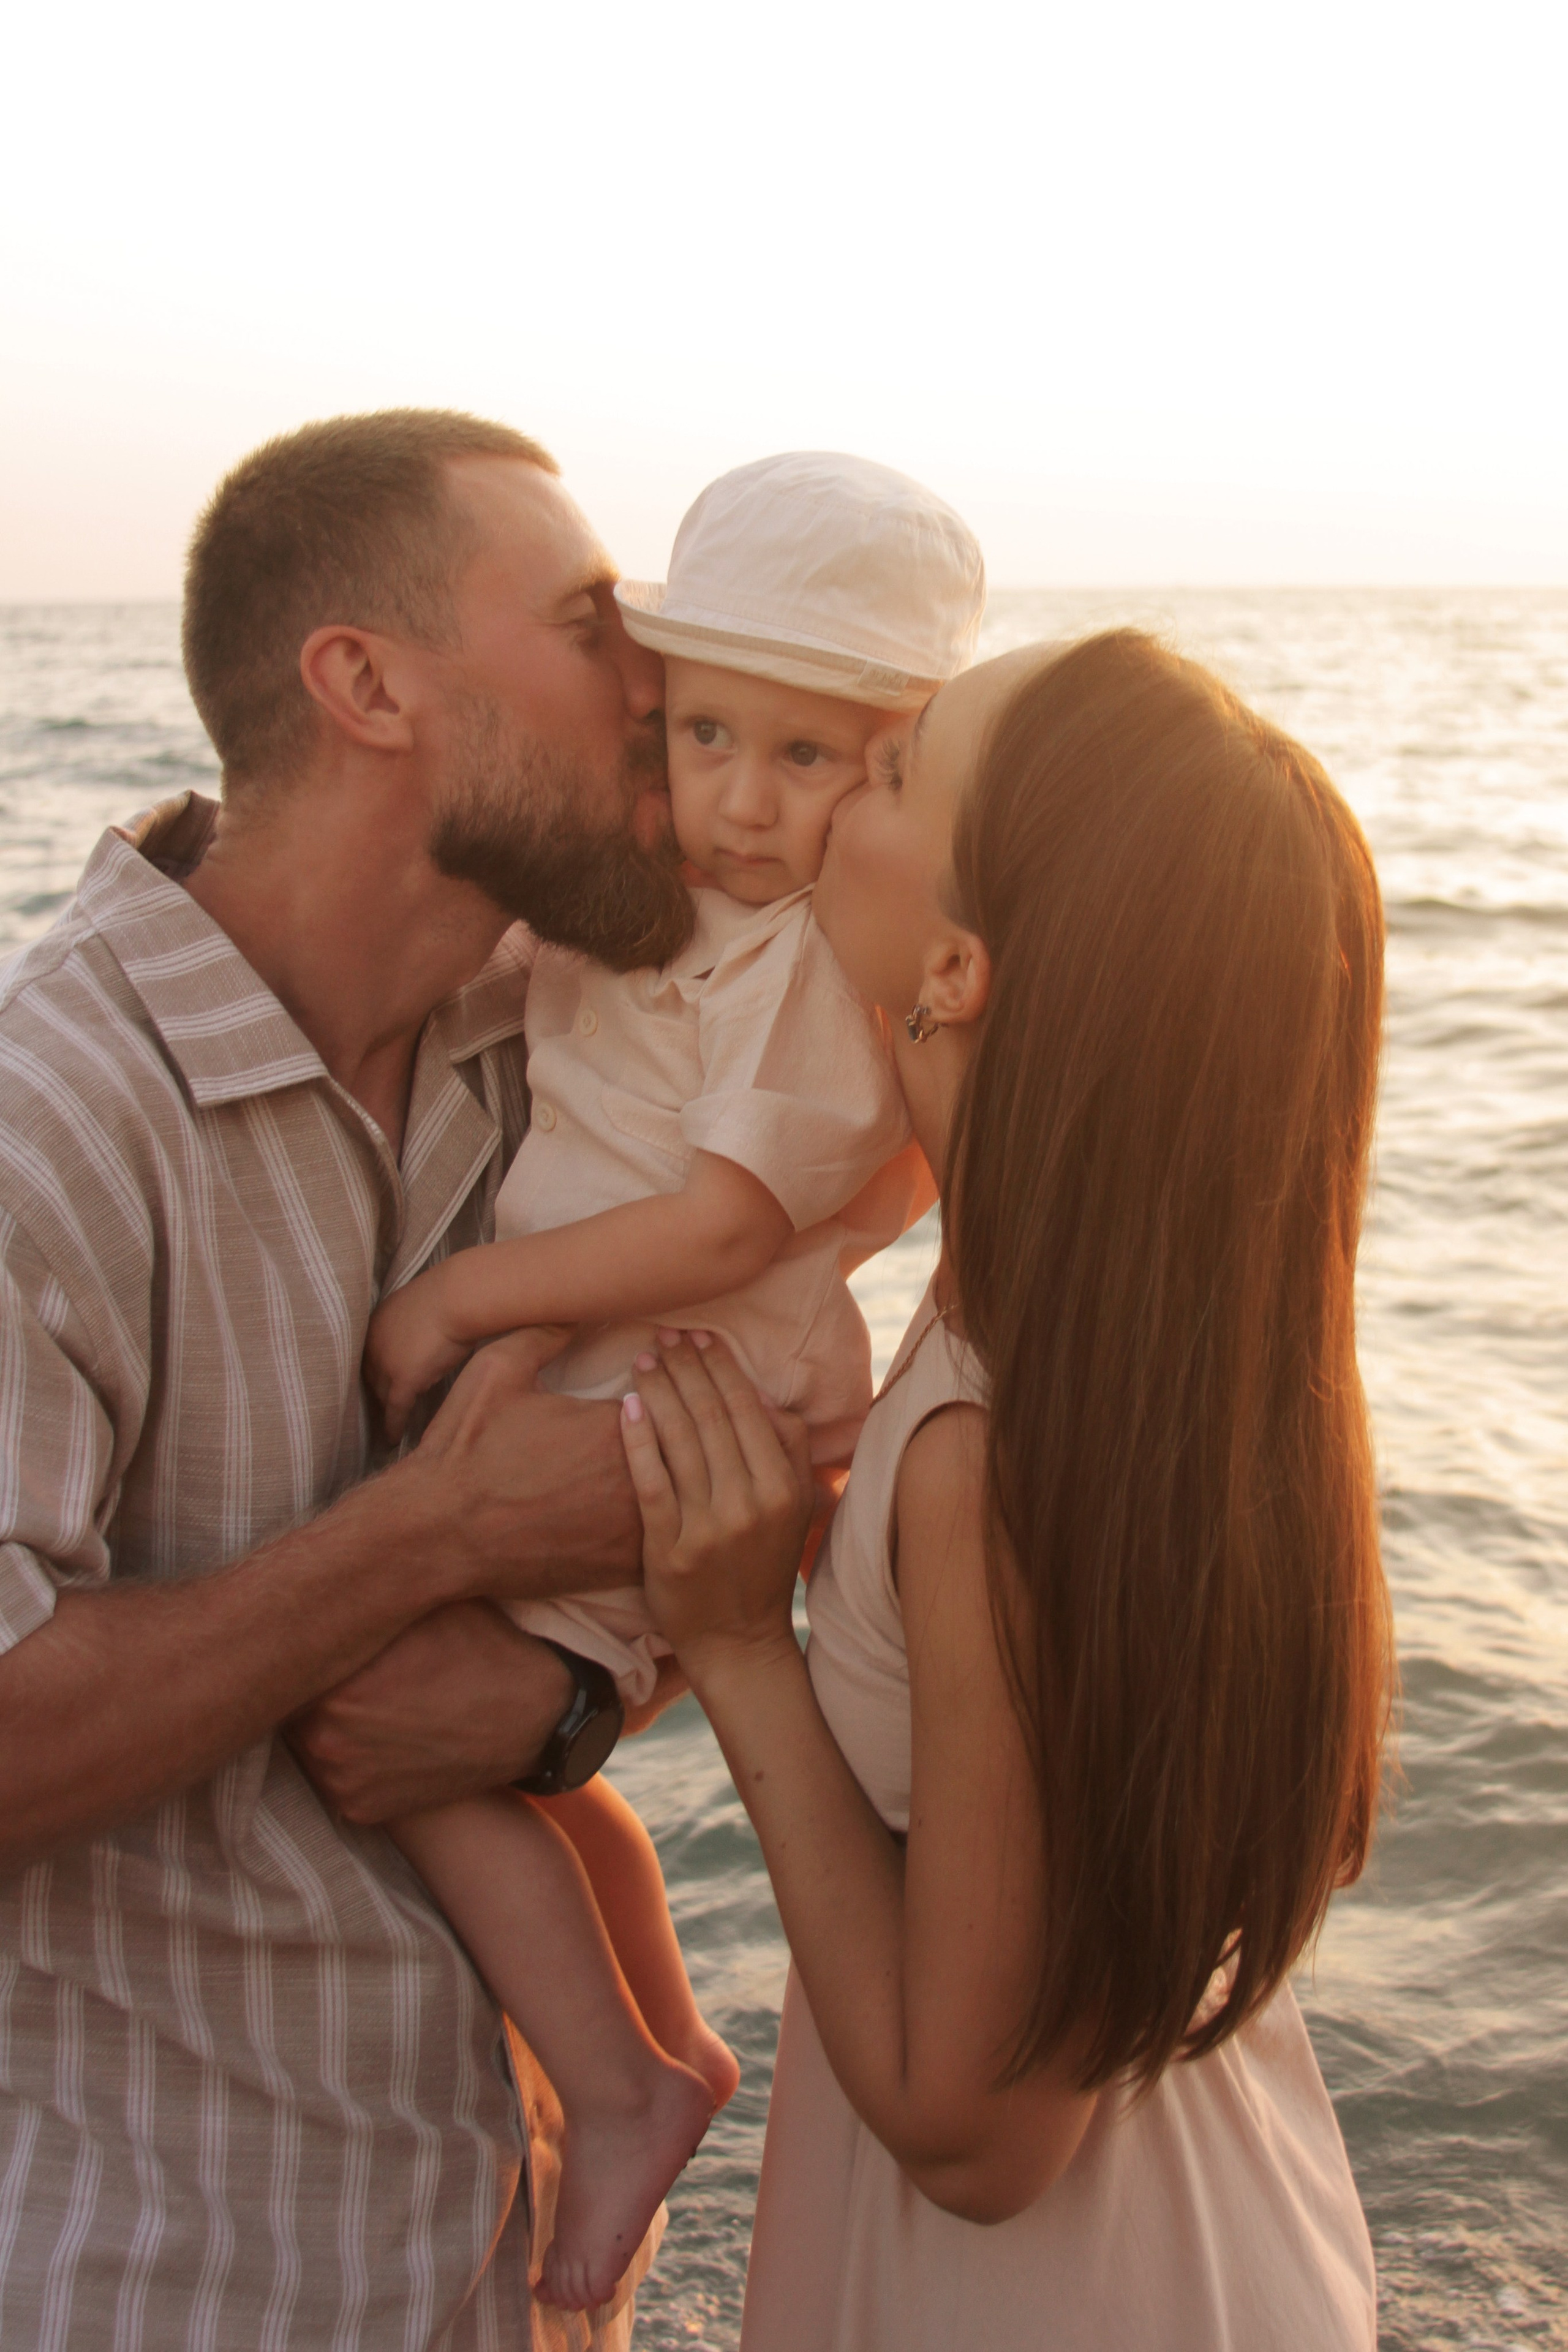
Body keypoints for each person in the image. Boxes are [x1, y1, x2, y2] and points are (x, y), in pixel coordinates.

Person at [0, 409, 697, 2348]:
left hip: (515, 2269)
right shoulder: (45, 1125)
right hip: (164, 2284)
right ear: (367, 684)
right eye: (586, 625)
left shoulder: (553, 1048)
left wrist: (562, 1699)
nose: (655, 685)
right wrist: (424, 1537)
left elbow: (721, 1498)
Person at [620, 630, 1392, 2349]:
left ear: (957, 969)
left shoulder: (991, 1450)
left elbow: (979, 2135)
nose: (846, 774)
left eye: (897, 768)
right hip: (1216, 2238)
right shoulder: (1148, 1351)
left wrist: (742, 1640)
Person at [362, 452, 981, 2311]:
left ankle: (623, 2080)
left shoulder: (800, 960)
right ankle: (664, 2043)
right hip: (621, 1363)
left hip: (671, 1381)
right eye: (708, 733)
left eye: (809, 760)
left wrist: (464, 1301)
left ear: (888, 773)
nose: (739, 798)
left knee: (387, 1716)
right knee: (537, 1747)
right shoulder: (678, 897)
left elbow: (718, 1228)